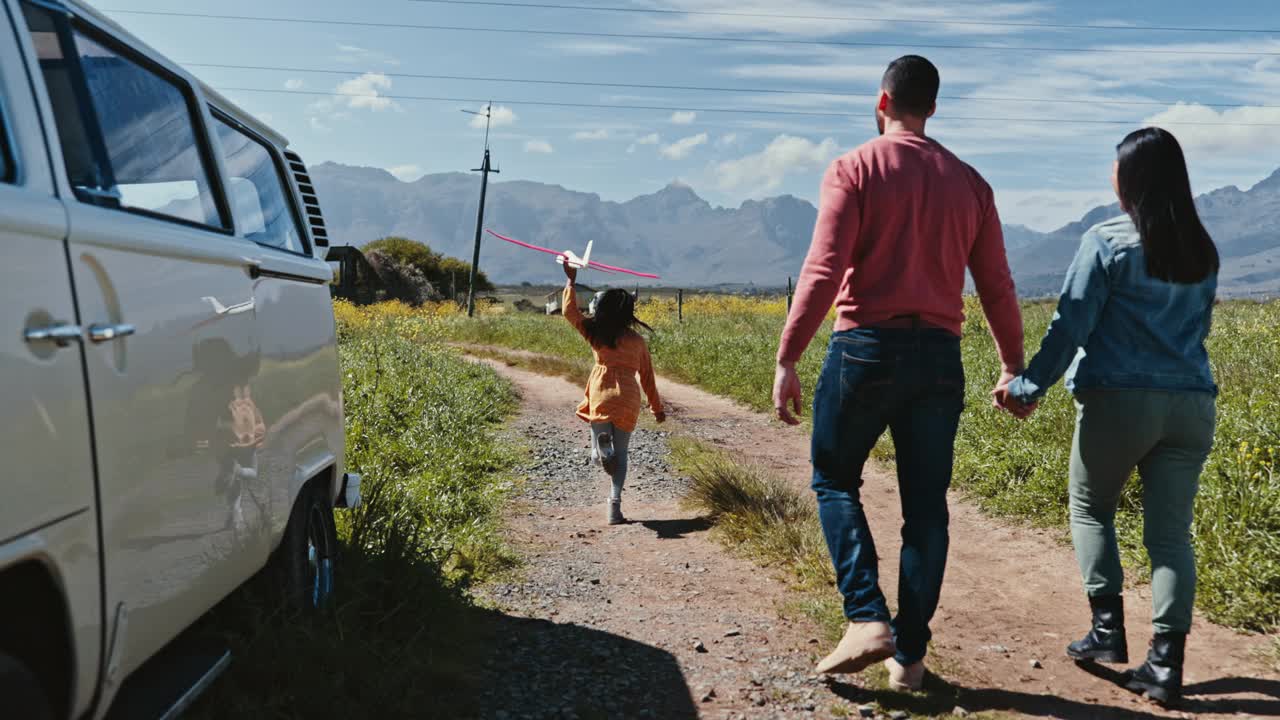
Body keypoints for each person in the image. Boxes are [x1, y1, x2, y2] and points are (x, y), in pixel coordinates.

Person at [772, 55, 1026, 690]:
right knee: (927, 511)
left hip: (865, 349)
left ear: (880, 101)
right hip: (939, 357)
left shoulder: (854, 168)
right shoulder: (970, 183)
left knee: (833, 479)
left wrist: (788, 357)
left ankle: (865, 617)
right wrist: (1012, 364)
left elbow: (824, 269)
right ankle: (909, 658)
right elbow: (995, 285)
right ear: (932, 108)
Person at [999, 127, 1218, 706]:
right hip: (1192, 405)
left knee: (1090, 508)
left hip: (1121, 401)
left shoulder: (1107, 241)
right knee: (1171, 536)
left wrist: (1026, 384)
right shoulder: (1203, 247)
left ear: (1131, 179)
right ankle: (1166, 666)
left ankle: (1106, 632)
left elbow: (1070, 326)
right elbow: (1200, 332)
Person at [561, 261, 666, 525]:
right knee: (623, 454)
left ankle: (600, 452)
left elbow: (568, 312)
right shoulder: (637, 341)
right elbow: (648, 377)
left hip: (601, 391)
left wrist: (571, 281)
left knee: (598, 450)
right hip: (628, 395)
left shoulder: (596, 333)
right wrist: (657, 408)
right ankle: (614, 508)